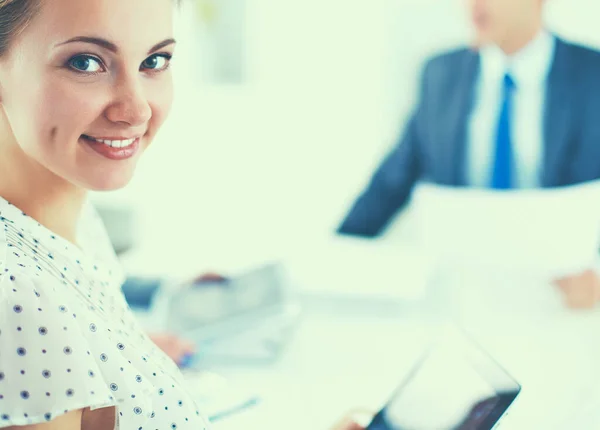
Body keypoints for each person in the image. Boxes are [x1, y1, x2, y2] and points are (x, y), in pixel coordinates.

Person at [0, 0, 362, 429]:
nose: (136, 110)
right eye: (85, 62)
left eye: (155, 61)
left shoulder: (73, 223)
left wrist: (124, 357)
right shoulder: (19, 296)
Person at [337, 0, 600, 309]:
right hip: (464, 298)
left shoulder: (592, 75)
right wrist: (335, 254)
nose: (474, 4)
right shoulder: (439, 74)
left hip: (565, 304)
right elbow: (391, 181)